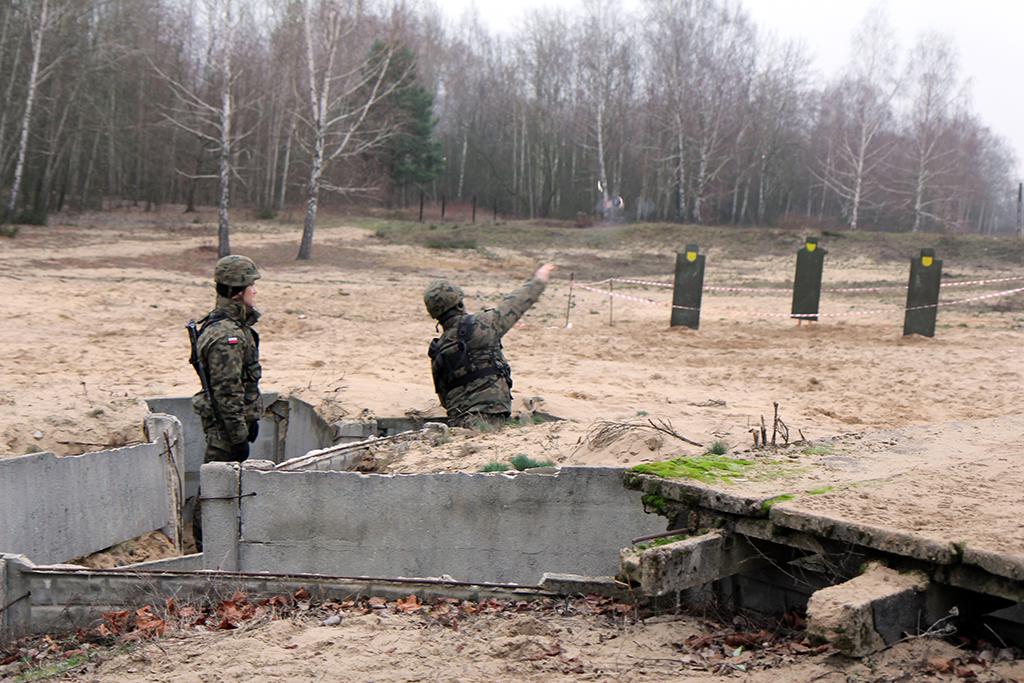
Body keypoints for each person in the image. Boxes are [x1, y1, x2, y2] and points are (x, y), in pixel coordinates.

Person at [424, 263, 555, 429]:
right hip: (491, 418)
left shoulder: (437, 351)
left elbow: (444, 398)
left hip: (459, 422)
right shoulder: (483, 324)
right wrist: (539, 280)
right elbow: (515, 304)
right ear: (460, 303)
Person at [190, 254, 264, 549]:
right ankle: (205, 548)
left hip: (231, 424)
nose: (255, 291)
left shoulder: (232, 327)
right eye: (251, 286)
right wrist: (238, 435)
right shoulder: (227, 336)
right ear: (237, 292)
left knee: (222, 485)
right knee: (215, 488)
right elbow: (227, 393)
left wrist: (250, 420)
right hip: (225, 428)